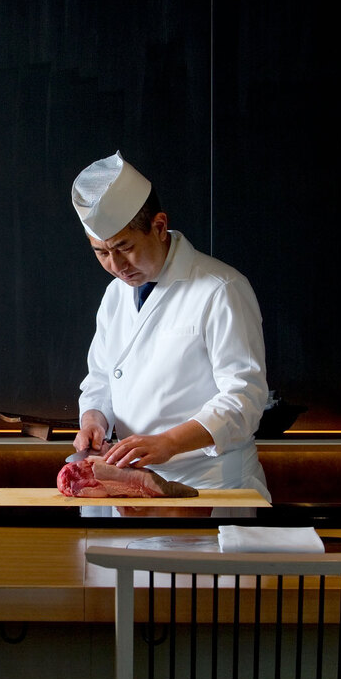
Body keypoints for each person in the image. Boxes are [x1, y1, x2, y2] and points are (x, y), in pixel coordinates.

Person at [70, 151, 271, 500]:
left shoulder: (221, 288)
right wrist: (93, 420)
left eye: (124, 247)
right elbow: (102, 378)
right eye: (101, 253)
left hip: (210, 483)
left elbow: (244, 398)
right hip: (131, 482)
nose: (116, 265)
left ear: (160, 226)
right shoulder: (116, 294)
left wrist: (170, 442)